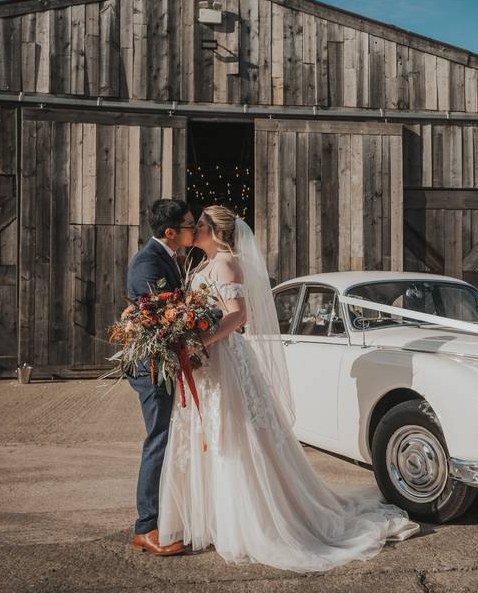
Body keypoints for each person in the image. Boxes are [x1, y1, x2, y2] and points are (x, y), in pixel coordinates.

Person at [155, 204, 420, 572]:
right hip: (206, 364)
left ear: (216, 231)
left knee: (233, 436)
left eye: (199, 224)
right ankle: (214, 517)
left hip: (224, 360)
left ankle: (252, 521)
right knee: (209, 435)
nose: (193, 229)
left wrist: (202, 341)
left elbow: (239, 314)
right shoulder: (201, 266)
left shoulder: (227, 263)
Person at [124, 198, 196, 556]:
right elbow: (159, 317)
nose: (194, 230)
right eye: (189, 225)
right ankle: (145, 527)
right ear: (171, 232)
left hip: (167, 362)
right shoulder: (147, 262)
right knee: (159, 439)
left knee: (170, 438)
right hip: (152, 366)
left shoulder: (167, 258)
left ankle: (167, 513)